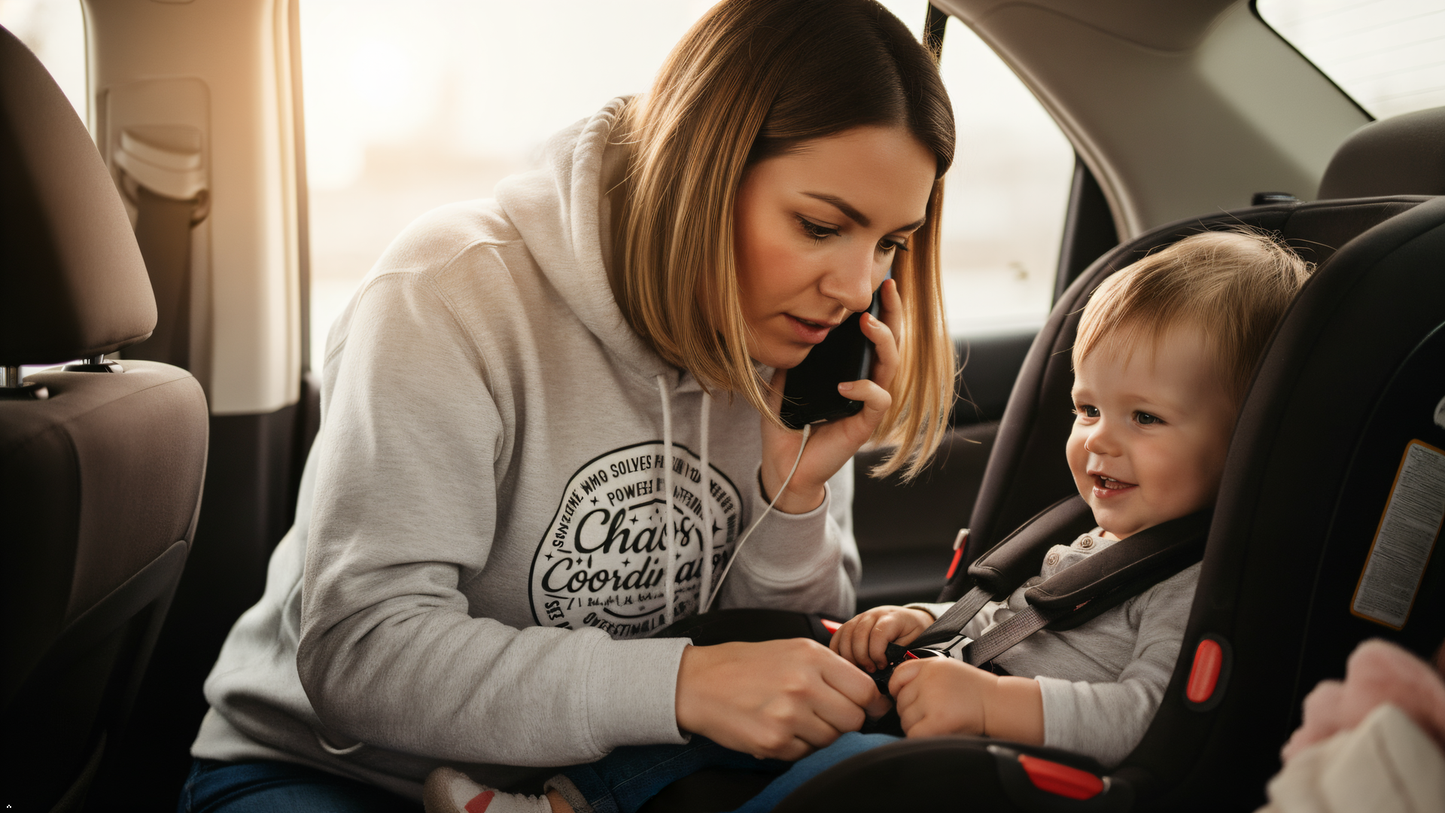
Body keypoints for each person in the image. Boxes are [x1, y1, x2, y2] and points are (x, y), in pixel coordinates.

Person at [177, 1, 957, 811]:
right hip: (339, 775)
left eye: (890, 243)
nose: (857, 286)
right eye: (820, 225)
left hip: (608, 780)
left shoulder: (797, 353)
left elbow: (780, 680)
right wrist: (679, 682)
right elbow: (362, 654)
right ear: (702, 169)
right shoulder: (448, 294)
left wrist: (792, 496)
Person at [424, 228, 1316, 813]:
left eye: (1144, 419)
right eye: (1086, 409)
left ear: (1249, 441)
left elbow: (1143, 719)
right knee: (724, 699)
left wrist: (989, 702)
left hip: (1002, 774)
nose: (1097, 444)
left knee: (832, 783)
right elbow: (1008, 623)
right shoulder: (1086, 539)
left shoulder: (1194, 584)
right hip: (938, 709)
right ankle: (557, 802)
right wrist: (924, 624)